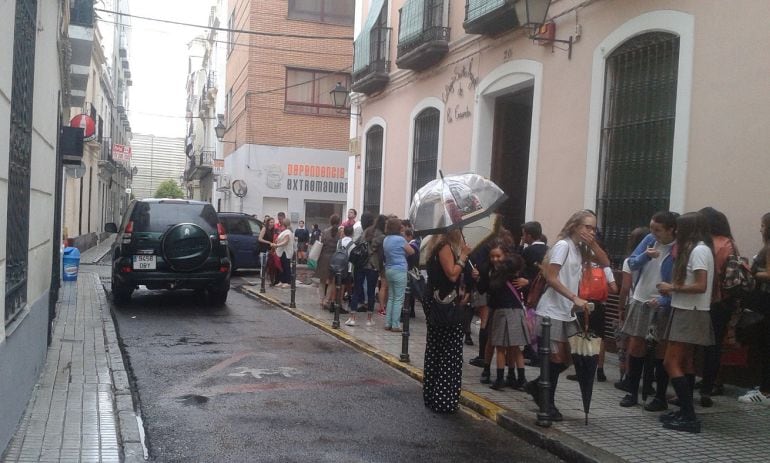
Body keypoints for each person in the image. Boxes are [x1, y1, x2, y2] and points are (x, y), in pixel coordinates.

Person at [524, 209, 609, 421]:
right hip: (552, 310)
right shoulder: (563, 246)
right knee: (555, 357)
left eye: (593, 228)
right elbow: (551, 277)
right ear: (575, 226)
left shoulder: (580, 248)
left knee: (570, 358)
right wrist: (574, 297)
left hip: (567, 312)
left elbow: (606, 263)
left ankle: (537, 386)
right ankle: (547, 401)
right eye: (587, 227)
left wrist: (593, 244)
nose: (590, 231)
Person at [656, 211, 715, 433]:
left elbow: (700, 285)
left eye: (680, 227)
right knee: (686, 362)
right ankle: (685, 410)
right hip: (687, 310)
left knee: (670, 362)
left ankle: (689, 415)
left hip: (690, 311)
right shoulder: (699, 248)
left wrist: (672, 287)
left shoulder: (698, 250)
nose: (677, 231)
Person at [618, 211, 677, 411]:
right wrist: (646, 255)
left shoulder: (678, 248)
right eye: (651, 228)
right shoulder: (650, 240)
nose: (653, 233)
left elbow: (679, 279)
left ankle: (659, 396)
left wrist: (664, 300)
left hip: (663, 301)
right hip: (642, 297)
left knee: (662, 349)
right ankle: (632, 392)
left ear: (671, 230)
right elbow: (632, 262)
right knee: (636, 345)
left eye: (658, 230)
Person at [423, 228, 471, 413]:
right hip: (444, 304)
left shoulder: (437, 245)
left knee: (436, 348)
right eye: (460, 228)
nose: (462, 231)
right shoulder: (444, 247)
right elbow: (451, 274)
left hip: (437, 302)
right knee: (449, 351)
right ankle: (443, 399)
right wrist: (464, 256)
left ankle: (433, 395)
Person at [475, 242, 530, 390]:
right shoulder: (514, 268)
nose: (495, 259)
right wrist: (479, 278)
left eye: (498, 256)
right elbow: (482, 288)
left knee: (501, 346)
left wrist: (527, 282)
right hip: (512, 311)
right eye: (492, 256)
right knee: (513, 346)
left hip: (501, 311)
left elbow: (489, 288)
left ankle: (502, 379)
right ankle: (519, 378)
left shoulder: (503, 273)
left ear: (505, 255)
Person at [697, 207, 737, 406]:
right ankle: (709, 385)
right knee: (715, 345)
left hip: (704, 299)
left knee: (699, 344)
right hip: (724, 301)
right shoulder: (729, 244)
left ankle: (702, 384)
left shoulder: (705, 244)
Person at [738, 212, 770, 405]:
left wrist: (752, 272)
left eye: (762, 225)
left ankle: (765, 392)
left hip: (766, 302)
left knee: (766, 347)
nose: (760, 229)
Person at [613, 226, 650, 391]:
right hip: (651, 302)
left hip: (633, 303)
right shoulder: (652, 258)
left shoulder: (629, 261)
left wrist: (620, 308)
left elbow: (625, 287)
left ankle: (628, 377)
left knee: (629, 343)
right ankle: (647, 381)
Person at [382, 217, 415, 331]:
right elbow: (411, 251)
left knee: (391, 297)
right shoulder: (400, 240)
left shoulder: (386, 239)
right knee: (399, 298)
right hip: (400, 269)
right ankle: (395, 324)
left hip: (389, 269)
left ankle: (388, 323)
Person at [346, 212, 376, 326]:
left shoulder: (362, 233)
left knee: (356, 291)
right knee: (371, 292)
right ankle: (369, 319)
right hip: (372, 266)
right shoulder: (375, 233)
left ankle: (352, 317)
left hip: (359, 265)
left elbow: (354, 243)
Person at [317, 214, 341, 309]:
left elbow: (321, 244)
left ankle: (321, 300)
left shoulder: (325, 232)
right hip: (334, 258)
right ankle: (327, 300)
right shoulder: (340, 233)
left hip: (323, 257)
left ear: (330, 221)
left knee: (322, 280)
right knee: (331, 281)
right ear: (339, 222)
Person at [274, 218, 295, 288]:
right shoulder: (284, 231)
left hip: (286, 251)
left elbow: (285, 241)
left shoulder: (288, 232)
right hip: (281, 251)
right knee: (282, 266)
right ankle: (282, 280)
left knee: (286, 266)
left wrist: (277, 245)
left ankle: (287, 281)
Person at [258, 217, 277, 283]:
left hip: (270, 249)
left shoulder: (273, 230)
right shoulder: (264, 228)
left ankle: (266, 278)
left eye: (273, 222)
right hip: (263, 248)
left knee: (268, 264)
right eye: (271, 222)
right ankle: (262, 279)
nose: (272, 223)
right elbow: (260, 239)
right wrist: (268, 242)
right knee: (263, 264)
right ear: (268, 222)